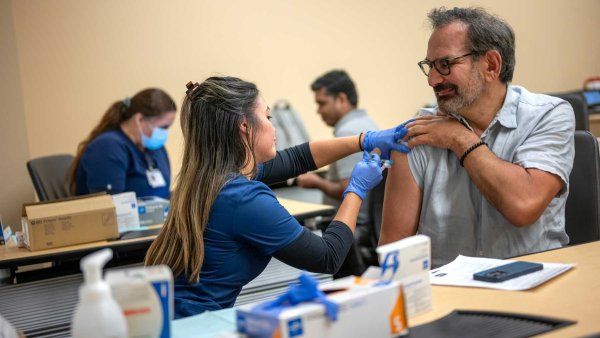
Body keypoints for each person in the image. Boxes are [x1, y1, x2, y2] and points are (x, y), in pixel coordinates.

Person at [144, 76, 409, 318]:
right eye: (268, 118)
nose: (274, 128)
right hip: (196, 325)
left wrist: (364, 140)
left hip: (173, 317)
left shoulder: (211, 177)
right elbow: (327, 256)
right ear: (245, 126)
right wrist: (357, 189)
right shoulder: (243, 198)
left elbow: (297, 158)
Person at [379, 7, 575, 268]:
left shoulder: (549, 115)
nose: (433, 80)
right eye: (430, 66)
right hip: (448, 294)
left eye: (445, 65)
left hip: (532, 286)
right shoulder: (421, 131)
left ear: (491, 66)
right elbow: (393, 249)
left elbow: (523, 205)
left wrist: (460, 139)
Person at [296, 70, 379, 226]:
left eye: (322, 103)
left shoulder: (348, 132)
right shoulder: (368, 123)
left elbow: (349, 189)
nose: (318, 111)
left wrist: (316, 182)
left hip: (351, 227)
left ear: (341, 99)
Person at [70, 88, 177, 199]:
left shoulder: (156, 148)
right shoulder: (108, 147)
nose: (165, 133)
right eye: (163, 127)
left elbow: (164, 195)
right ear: (139, 119)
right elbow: (109, 208)